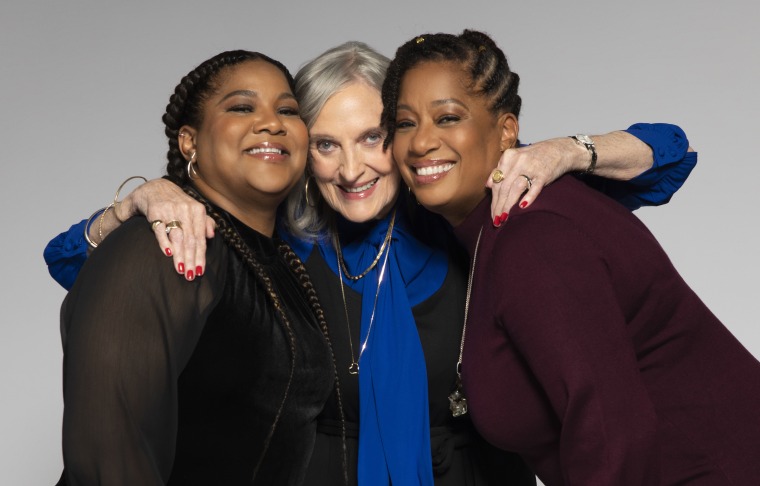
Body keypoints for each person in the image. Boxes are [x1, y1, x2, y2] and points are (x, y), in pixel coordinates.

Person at [46, 42, 696, 485]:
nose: (352, 168)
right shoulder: (278, 251)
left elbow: (669, 156)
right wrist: (140, 202)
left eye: (372, 138)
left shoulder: (467, 217)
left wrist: (569, 150)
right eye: (326, 143)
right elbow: (74, 264)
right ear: (301, 150)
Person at [381, 29, 760, 485]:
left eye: (446, 118)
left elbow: (611, 434)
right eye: (405, 123)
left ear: (506, 131)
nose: (421, 142)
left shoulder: (534, 234)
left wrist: (570, 149)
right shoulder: (483, 222)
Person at [55, 50, 342, 486]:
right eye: (242, 107)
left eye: (288, 110)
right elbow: (104, 459)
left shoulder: (284, 258)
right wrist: (138, 198)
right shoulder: (162, 245)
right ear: (189, 141)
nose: (272, 122)